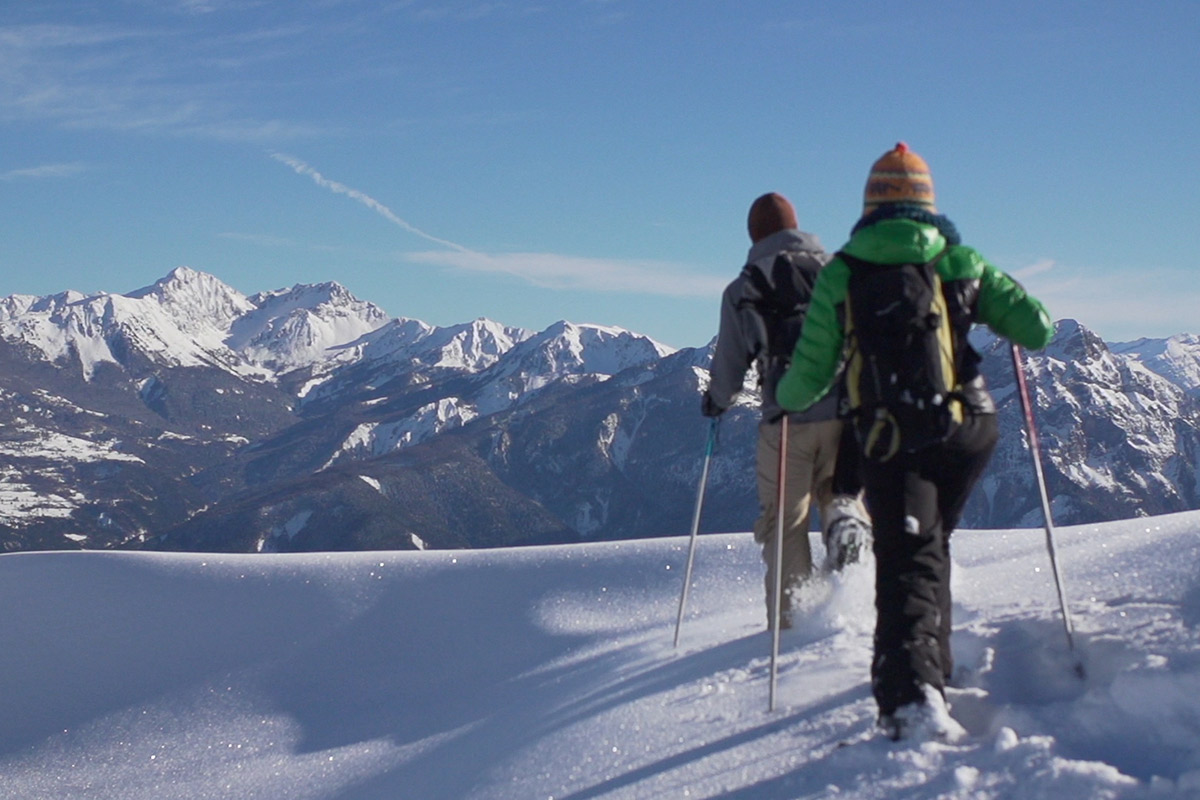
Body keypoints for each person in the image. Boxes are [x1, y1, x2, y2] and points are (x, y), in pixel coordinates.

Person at [777, 143, 1054, 741]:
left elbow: (809, 377)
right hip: (968, 429)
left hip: (889, 435)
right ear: (927, 203)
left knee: (908, 561)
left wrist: (784, 400)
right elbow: (1038, 328)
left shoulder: (845, 271)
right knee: (930, 546)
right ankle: (935, 669)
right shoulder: (961, 260)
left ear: (871, 204)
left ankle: (910, 704)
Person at [702, 192, 868, 630]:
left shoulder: (743, 289)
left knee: (784, 524)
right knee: (842, 497)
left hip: (787, 420)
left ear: (754, 235)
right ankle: (852, 600)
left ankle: (795, 623)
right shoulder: (840, 273)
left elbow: (730, 367)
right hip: (847, 417)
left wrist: (716, 402)